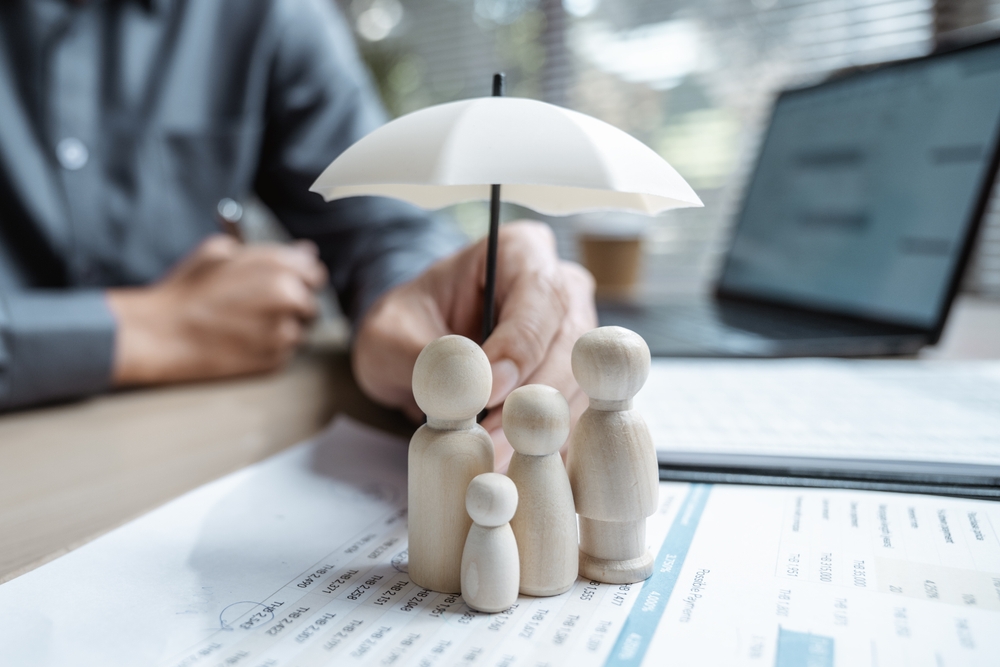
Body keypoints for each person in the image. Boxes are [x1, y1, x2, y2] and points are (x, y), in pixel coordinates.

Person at [0, 0, 596, 460]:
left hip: (191, 454)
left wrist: (426, 295)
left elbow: (380, 225)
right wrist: (145, 328)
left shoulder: (269, 15)